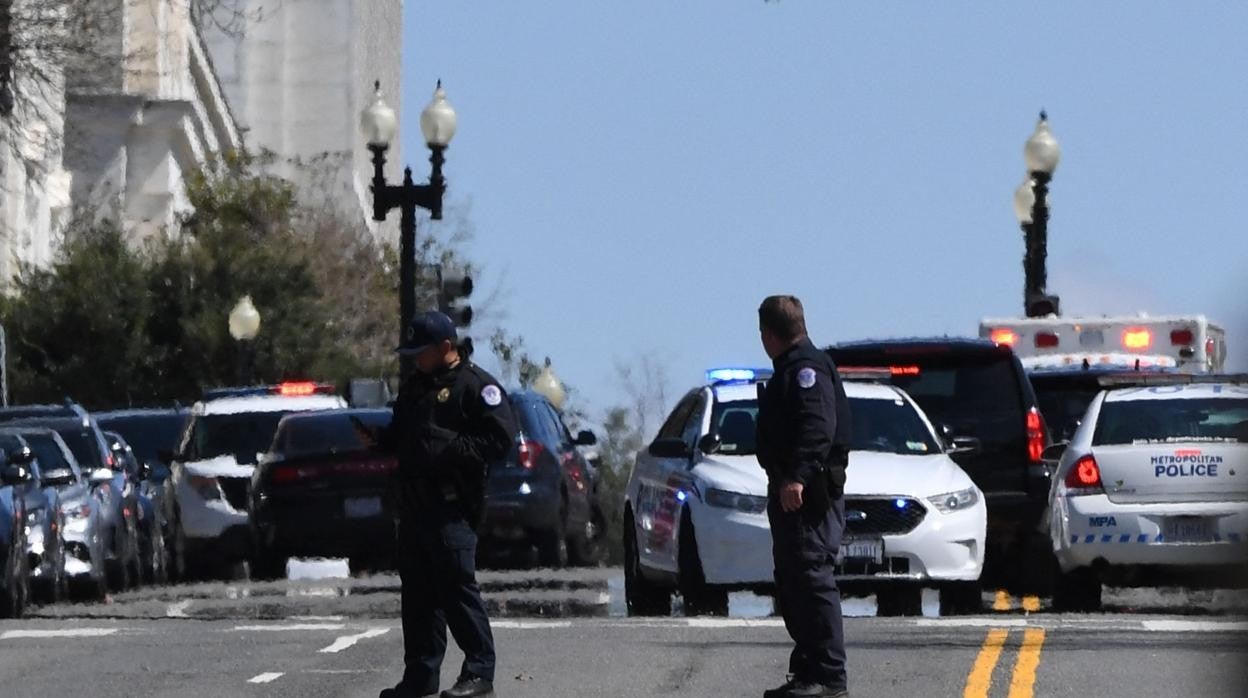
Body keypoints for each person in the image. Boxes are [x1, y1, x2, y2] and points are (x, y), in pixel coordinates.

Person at [362, 311, 517, 698]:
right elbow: (403, 434)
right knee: (418, 596)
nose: (415, 358)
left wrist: (451, 449)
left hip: (452, 507)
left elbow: (500, 441)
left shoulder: (476, 386)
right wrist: (379, 440)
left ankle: (479, 673)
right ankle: (421, 675)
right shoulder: (416, 386)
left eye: (421, 351)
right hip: (414, 506)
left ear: (446, 348)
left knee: (456, 589)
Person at [755, 295, 852, 698]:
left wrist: (796, 477)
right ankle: (809, 670)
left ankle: (830, 677)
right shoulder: (792, 369)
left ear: (769, 334)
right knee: (795, 581)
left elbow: (817, 427)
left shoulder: (806, 370)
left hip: (809, 496)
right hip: (792, 494)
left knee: (812, 579)